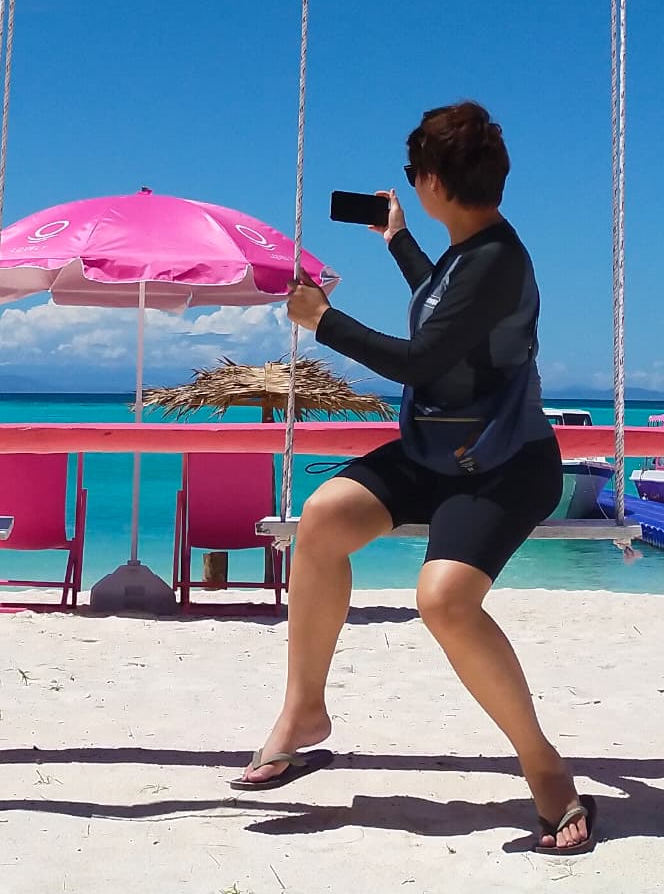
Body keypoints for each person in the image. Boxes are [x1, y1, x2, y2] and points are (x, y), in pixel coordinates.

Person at [231, 100, 596, 856]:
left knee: (444, 601)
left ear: (430, 179)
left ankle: (545, 767)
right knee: (325, 516)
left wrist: (322, 322)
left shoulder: (497, 260)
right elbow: (444, 308)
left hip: (502, 466)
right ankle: (304, 713)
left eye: (411, 176)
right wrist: (398, 242)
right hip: (437, 452)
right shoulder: (471, 251)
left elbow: (421, 358)